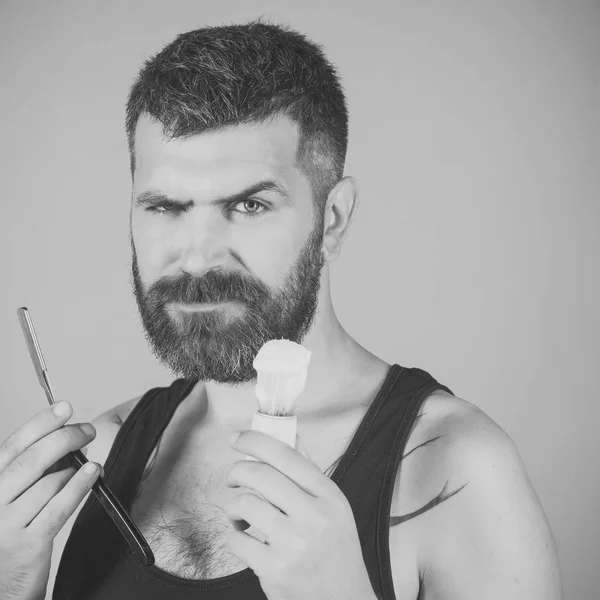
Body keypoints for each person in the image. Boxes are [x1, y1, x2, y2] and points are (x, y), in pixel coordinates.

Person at [0, 18, 562, 600]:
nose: (196, 258)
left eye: (248, 205)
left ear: (333, 220)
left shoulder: (455, 470)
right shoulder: (94, 459)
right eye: (165, 206)